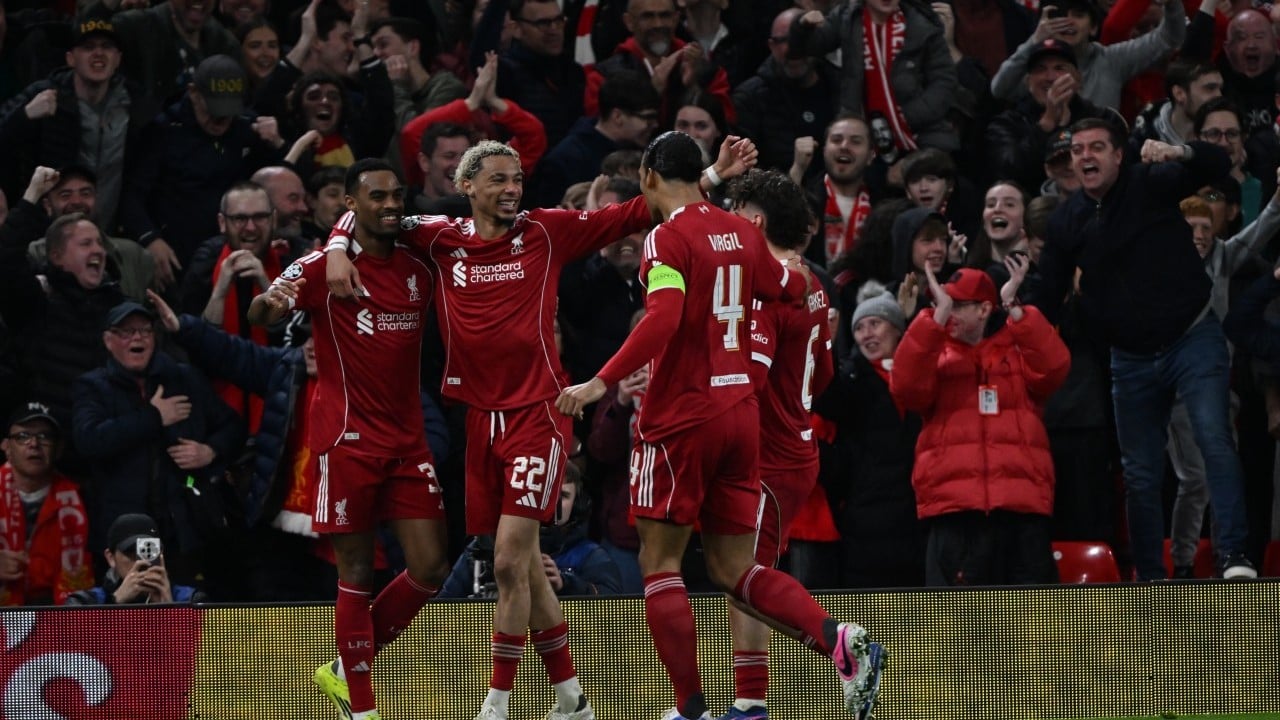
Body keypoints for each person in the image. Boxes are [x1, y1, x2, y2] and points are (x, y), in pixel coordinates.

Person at [323, 137, 756, 720]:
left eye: (517, 180)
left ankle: (497, 703)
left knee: (507, 560)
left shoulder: (546, 231)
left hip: (538, 415)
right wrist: (336, 248)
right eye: (498, 180)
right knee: (521, 562)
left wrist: (712, 175)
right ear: (466, 186)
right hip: (480, 419)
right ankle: (571, 696)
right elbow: (372, 213)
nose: (511, 190)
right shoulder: (439, 236)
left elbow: (638, 209)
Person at [554, 131, 884, 720]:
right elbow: (789, 285)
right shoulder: (742, 234)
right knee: (736, 569)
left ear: (649, 176)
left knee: (660, 564)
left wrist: (600, 381)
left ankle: (690, 708)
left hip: (682, 416)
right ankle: (836, 638)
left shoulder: (666, 237)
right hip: (741, 420)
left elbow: (662, 317)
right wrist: (813, 303)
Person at [248, 158, 449, 720]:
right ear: (352, 205)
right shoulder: (321, 267)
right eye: (376, 196)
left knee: (430, 568)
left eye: (396, 195)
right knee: (355, 574)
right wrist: (275, 298)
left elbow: (457, 226)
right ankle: (361, 708)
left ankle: (342, 668)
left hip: (408, 442)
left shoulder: (418, 257)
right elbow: (262, 312)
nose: (390, 205)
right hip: (346, 441)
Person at [1032, 117, 1257, 580]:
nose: (1086, 156)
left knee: (1213, 438)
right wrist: (1015, 308)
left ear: (1119, 155)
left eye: (1097, 147)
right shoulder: (1067, 220)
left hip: (1192, 336)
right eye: (1078, 150)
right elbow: (1047, 294)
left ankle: (1234, 556)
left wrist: (1180, 152)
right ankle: (1151, 579)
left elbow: (1217, 163)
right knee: (1139, 473)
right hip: (1129, 356)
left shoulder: (1149, 182)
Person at [715, 168, 834, 719]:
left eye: (736, 213)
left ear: (756, 221)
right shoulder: (811, 282)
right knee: (745, 574)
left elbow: (750, 380)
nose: (728, 224)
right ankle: (750, 701)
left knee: (744, 575)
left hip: (768, 452)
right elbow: (823, 373)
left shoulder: (766, 289)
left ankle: (837, 644)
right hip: (794, 444)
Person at [891, 263, 1070, 585]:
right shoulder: (935, 355)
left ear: (985, 309)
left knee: (1030, 613)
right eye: (943, 302)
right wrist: (933, 320)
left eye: (957, 305)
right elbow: (905, 388)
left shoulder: (1018, 350)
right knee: (957, 616)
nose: (949, 311)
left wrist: (1015, 308)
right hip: (955, 511)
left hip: (1021, 509)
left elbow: (1054, 369)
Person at [71, 300, 246, 585]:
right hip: (124, 531)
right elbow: (89, 440)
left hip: (185, 529)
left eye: (144, 330)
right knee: (132, 605)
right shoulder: (93, 387)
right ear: (108, 341)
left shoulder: (184, 378)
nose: (137, 337)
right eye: (126, 332)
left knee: (186, 603)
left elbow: (233, 427)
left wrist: (210, 450)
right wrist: (154, 417)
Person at [789, 0, 960, 153]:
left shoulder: (922, 24)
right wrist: (802, 27)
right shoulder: (847, 17)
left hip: (921, 132)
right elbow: (807, 47)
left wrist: (908, 116)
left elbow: (944, 80)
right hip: (862, 133)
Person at [439, 463, 623, 598]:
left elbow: (614, 609)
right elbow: (442, 609)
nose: (553, 504)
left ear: (577, 505)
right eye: (546, 493)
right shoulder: (483, 548)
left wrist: (566, 584)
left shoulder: (588, 555)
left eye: (563, 496)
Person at [0, 402, 93, 606]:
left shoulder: (84, 499)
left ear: (58, 449)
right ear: (6, 447)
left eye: (44, 436)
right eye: (23, 436)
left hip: (55, 612)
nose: (34, 443)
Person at [65, 513, 204, 605]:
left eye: (148, 552)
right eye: (131, 553)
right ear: (111, 558)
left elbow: (205, 641)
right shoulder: (84, 603)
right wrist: (114, 603)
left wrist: (170, 608)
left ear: (161, 554)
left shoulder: (192, 600)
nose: (140, 562)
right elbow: (77, 640)